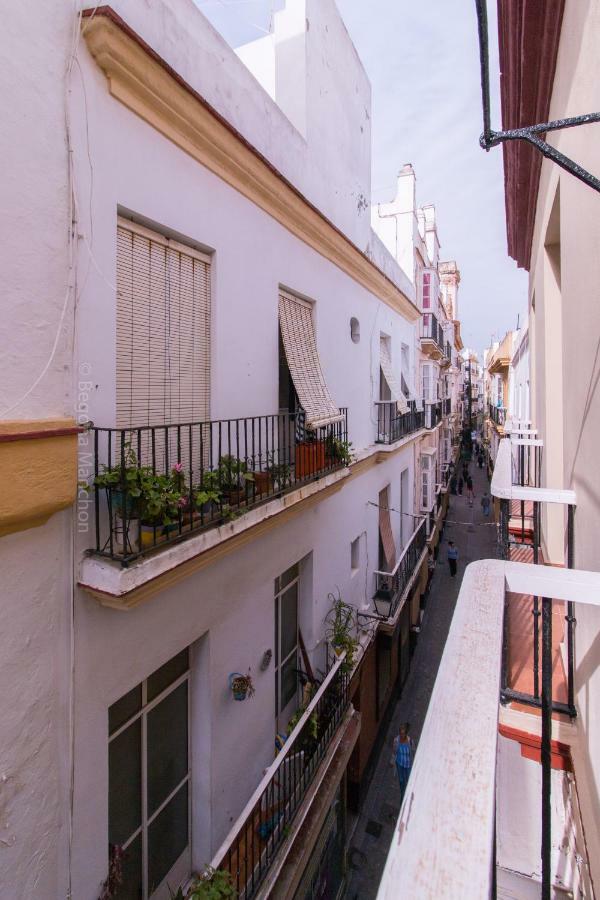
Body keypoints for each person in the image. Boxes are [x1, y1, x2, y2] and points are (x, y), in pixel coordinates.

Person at [391, 723, 414, 803]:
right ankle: (402, 795)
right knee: (401, 781)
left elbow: (412, 751)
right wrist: (392, 761)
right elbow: (394, 752)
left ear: (406, 734)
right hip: (399, 763)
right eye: (400, 733)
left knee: (408, 780)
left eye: (403, 733)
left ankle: (407, 796)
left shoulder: (410, 741)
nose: (401, 735)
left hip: (408, 764)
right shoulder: (396, 741)